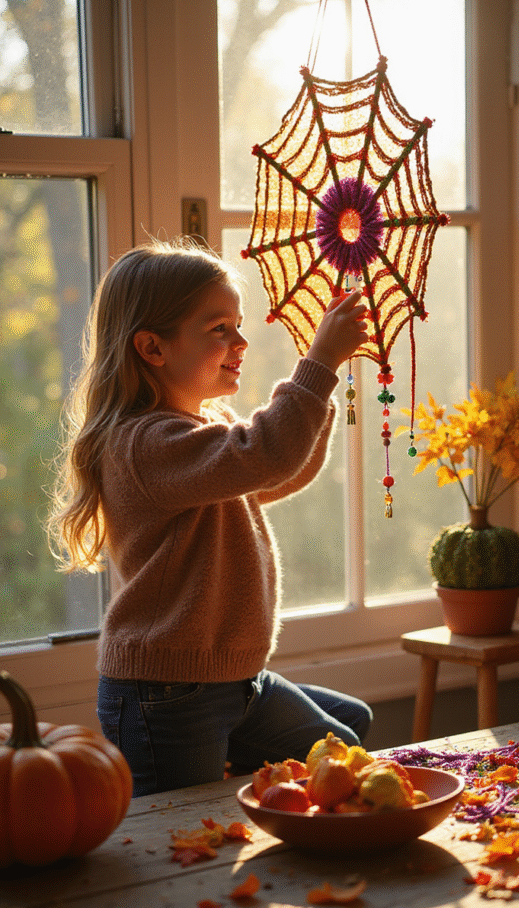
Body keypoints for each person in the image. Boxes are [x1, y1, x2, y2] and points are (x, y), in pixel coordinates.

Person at [47, 237, 373, 796]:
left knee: (346, 739)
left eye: (238, 324)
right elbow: (266, 454)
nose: (241, 342)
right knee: (177, 836)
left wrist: (322, 383)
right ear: (152, 348)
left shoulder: (199, 426)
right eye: (218, 328)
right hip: (167, 691)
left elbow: (275, 472)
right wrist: (316, 367)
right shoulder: (143, 442)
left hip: (235, 681)